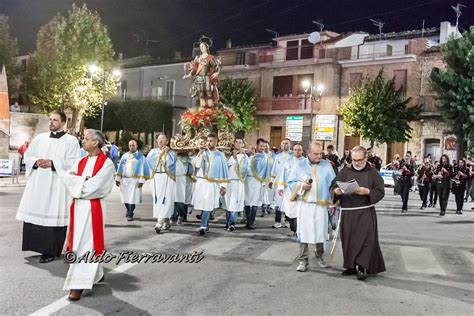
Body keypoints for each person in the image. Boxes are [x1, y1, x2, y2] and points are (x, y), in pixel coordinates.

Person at [16, 111, 80, 263]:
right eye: (50, 120)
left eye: (55, 120)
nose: (51, 122)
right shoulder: (40, 138)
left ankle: (51, 251)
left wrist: (53, 163)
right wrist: (36, 162)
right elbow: (28, 156)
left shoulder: (71, 141)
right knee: (36, 213)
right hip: (39, 183)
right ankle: (36, 246)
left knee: (54, 217)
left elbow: (74, 163)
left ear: (63, 123)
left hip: (57, 185)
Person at [59, 129, 114, 301]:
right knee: (79, 243)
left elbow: (95, 188)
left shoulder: (107, 164)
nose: (82, 141)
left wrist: (78, 182)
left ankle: (78, 285)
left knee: (86, 245)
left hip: (93, 209)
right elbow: (67, 179)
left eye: (86, 139)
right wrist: (82, 182)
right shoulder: (81, 161)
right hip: (78, 208)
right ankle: (96, 273)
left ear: (96, 142)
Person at [331, 145, 386, 280]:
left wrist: (367, 192)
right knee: (348, 239)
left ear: (365, 158)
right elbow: (333, 186)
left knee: (365, 239)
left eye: (360, 160)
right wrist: (336, 191)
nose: (357, 163)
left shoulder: (372, 172)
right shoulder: (345, 171)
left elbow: (380, 191)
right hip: (348, 212)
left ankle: (362, 266)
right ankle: (350, 265)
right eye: (354, 160)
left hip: (365, 211)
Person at [287, 142, 335, 272]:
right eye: (316, 154)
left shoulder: (327, 166)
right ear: (308, 153)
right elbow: (291, 182)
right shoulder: (299, 165)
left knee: (321, 232)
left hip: (321, 206)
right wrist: (302, 186)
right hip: (305, 204)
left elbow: (333, 186)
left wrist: (332, 202)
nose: (319, 156)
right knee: (304, 232)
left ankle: (319, 256)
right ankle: (303, 260)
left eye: (321, 154)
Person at [192, 133, 229, 235]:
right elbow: (197, 165)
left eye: (211, 141)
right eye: (207, 141)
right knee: (203, 204)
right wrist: (200, 153)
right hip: (201, 182)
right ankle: (205, 224)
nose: (208, 143)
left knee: (207, 204)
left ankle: (203, 225)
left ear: (216, 142)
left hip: (212, 183)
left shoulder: (220, 155)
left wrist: (223, 186)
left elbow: (224, 171)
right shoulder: (203, 153)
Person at [147, 134, 176, 233]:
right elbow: (150, 161)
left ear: (167, 141)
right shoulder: (153, 152)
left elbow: (172, 164)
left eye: (163, 138)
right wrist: (161, 153)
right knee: (158, 199)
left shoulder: (171, 153)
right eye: (159, 139)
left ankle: (159, 222)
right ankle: (166, 221)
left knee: (166, 199)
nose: (160, 141)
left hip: (167, 177)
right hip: (156, 178)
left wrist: (166, 153)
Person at [274, 143, 305, 237]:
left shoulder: (306, 163)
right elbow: (282, 175)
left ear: (302, 151)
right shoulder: (287, 162)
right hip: (288, 190)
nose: (297, 151)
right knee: (289, 210)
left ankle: (298, 230)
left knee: (299, 211)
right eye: (295, 149)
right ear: (293, 150)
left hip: (301, 190)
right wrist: (280, 187)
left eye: (299, 150)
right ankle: (292, 229)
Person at [116, 140, 150, 221]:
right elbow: (120, 167)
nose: (132, 147)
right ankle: (128, 209)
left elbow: (143, 169)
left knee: (133, 198)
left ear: (136, 146)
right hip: (125, 180)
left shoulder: (141, 157)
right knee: (125, 198)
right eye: (130, 145)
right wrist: (118, 179)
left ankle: (130, 213)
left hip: (135, 181)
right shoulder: (124, 156)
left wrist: (141, 181)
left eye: (133, 145)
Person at [183, 42, 221, 107]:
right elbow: (194, 69)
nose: (201, 48)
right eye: (200, 47)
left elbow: (216, 67)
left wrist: (217, 73)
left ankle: (209, 109)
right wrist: (188, 75)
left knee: (209, 94)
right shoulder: (197, 58)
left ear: (206, 47)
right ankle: (203, 111)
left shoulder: (210, 58)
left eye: (203, 46)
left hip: (207, 79)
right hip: (199, 79)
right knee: (201, 95)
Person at [244, 139, 271, 229]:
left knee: (255, 202)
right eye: (261, 146)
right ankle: (248, 219)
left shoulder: (265, 158)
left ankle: (251, 222)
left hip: (258, 181)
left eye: (264, 146)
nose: (262, 148)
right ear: (257, 146)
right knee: (247, 201)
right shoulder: (250, 157)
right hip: (248, 180)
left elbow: (266, 171)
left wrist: (264, 182)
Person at [225, 137, 250, 231]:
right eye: (237, 142)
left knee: (234, 204)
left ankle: (232, 223)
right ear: (234, 143)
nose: (238, 144)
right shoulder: (228, 155)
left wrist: (236, 158)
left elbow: (246, 169)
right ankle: (228, 223)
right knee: (227, 203)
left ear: (243, 144)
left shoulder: (244, 157)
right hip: (228, 182)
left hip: (238, 182)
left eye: (240, 142)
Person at [270, 138, 292, 228]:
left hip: (289, 184)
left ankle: (288, 220)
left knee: (288, 202)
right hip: (279, 183)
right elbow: (274, 170)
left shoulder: (293, 156)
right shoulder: (277, 156)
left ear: (290, 145)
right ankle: (277, 221)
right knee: (278, 202)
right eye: (283, 143)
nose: (284, 145)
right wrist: (271, 181)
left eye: (286, 143)